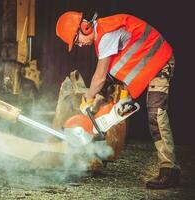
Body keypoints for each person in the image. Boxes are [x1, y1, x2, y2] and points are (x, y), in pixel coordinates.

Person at [56, 11, 180, 189]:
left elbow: (99, 77)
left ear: (85, 27)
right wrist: (99, 103)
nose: (80, 45)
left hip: (160, 61)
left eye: (77, 41)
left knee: (157, 114)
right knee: (118, 103)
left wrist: (88, 98)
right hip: (148, 67)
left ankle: (169, 171)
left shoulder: (107, 34)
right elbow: (110, 75)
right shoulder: (103, 36)